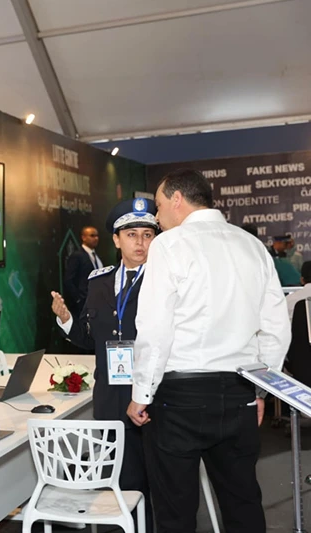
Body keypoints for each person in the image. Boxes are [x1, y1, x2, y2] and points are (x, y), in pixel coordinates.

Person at [127, 169, 290, 533]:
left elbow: (155, 328)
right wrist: (260, 390)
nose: (156, 217)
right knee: (243, 505)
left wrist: (141, 394)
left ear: (177, 200)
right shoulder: (252, 246)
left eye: (158, 206)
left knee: (176, 513)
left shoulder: (168, 245)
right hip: (239, 393)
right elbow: (277, 328)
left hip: (178, 398)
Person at [51, 197, 158, 533]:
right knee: (122, 482)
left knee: (159, 483)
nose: (140, 243)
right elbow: (88, 338)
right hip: (111, 398)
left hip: (153, 398)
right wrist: (66, 319)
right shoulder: (98, 281)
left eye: (147, 235)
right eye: (132, 235)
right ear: (116, 239)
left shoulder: (164, 280)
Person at [63, 226, 102, 317]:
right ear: (83, 237)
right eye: (92, 236)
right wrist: (78, 299)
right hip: (83, 304)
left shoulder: (97, 256)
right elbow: (68, 280)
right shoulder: (77, 256)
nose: (96, 238)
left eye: (97, 236)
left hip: (97, 302)